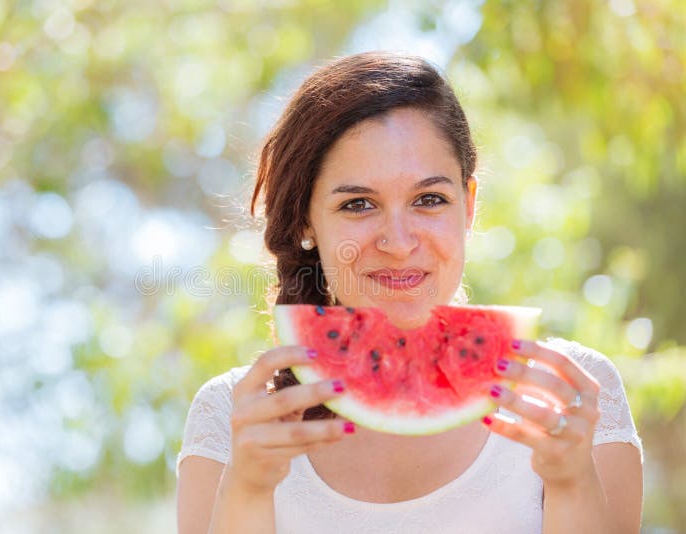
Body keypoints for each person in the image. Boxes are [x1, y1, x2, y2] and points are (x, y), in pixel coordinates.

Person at [176, 52, 643, 533]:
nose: (398, 243)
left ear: (469, 206)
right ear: (305, 221)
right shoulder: (231, 421)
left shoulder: (572, 399)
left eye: (429, 200)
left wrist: (572, 483)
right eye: (358, 204)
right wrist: (247, 492)